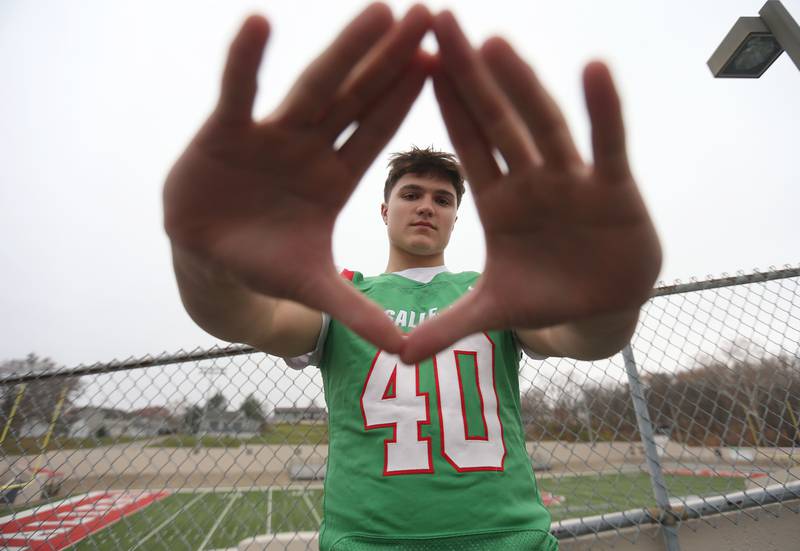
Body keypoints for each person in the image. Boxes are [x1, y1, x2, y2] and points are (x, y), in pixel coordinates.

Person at [163, 4, 662, 550]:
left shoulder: (493, 292)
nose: (427, 206)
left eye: (443, 199)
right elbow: (243, 316)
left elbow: (584, 338)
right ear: (384, 211)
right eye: (412, 194)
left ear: (456, 216)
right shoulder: (341, 292)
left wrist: (613, 303)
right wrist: (200, 258)